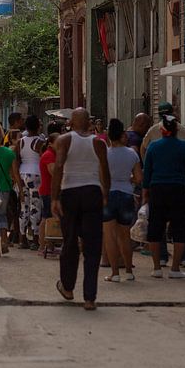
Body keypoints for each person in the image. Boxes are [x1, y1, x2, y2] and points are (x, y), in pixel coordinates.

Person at [51, 108, 110, 311]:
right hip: (92, 192)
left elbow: (58, 167)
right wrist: (105, 194)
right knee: (92, 246)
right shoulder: (99, 142)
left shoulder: (65, 140)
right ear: (89, 123)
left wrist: (54, 198)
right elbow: (105, 169)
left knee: (70, 242)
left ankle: (67, 287)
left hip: (70, 193)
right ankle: (89, 298)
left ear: (72, 123)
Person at [142, 115, 185, 279]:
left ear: (162, 130)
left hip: (157, 189)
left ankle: (157, 267)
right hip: (178, 189)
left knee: (155, 227)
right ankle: (175, 269)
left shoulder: (153, 147)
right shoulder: (184, 147)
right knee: (179, 227)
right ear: (176, 130)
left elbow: (148, 170)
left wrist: (145, 191)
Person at [102, 119, 141, 282]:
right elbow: (139, 178)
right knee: (125, 235)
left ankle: (114, 273)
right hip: (126, 195)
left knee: (109, 235)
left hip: (108, 195)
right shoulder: (132, 153)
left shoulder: (104, 154)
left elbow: (99, 176)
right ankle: (129, 271)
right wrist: (128, 179)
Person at [0, 124, 21, 258]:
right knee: (2, 215)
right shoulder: (9, 153)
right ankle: (4, 240)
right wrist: (21, 191)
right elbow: (15, 174)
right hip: (6, 188)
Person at [15, 115, 44, 250]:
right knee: (36, 206)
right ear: (38, 126)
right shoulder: (39, 142)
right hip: (36, 175)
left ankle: (22, 238)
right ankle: (35, 238)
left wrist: (18, 182)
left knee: (24, 206)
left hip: (22, 174)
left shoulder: (20, 142)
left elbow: (16, 161)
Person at [38, 130, 59, 255]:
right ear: (51, 143)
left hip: (51, 190)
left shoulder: (54, 154)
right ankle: (42, 245)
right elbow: (54, 171)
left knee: (51, 217)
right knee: (46, 217)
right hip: (47, 190)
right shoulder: (48, 155)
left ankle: (50, 245)